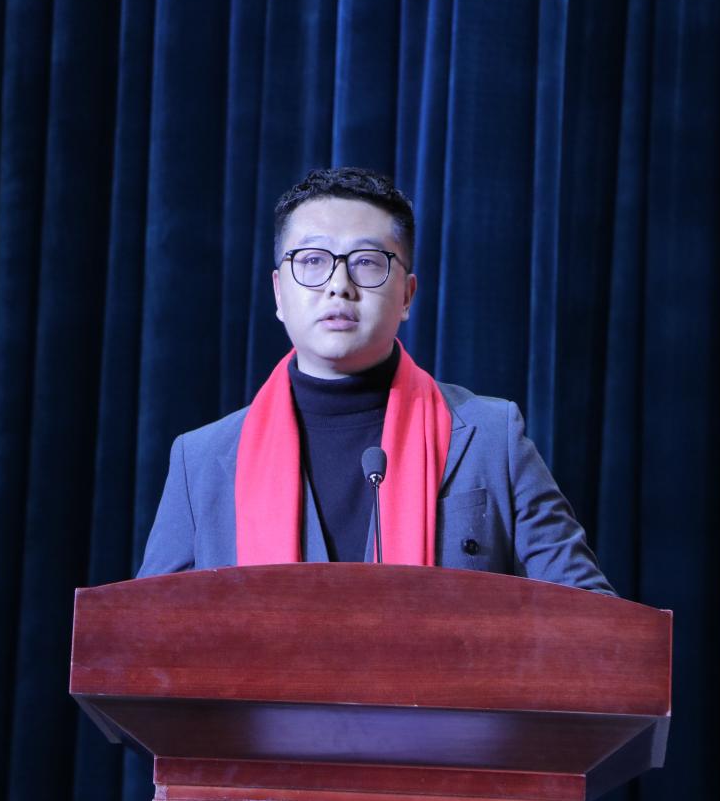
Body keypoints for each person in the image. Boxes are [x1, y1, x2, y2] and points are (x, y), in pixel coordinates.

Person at [137, 167, 615, 595]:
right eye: (312, 260)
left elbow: (592, 621)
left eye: (366, 261)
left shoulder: (492, 437)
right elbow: (146, 638)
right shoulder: (201, 460)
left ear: (407, 295)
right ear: (279, 292)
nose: (338, 285)